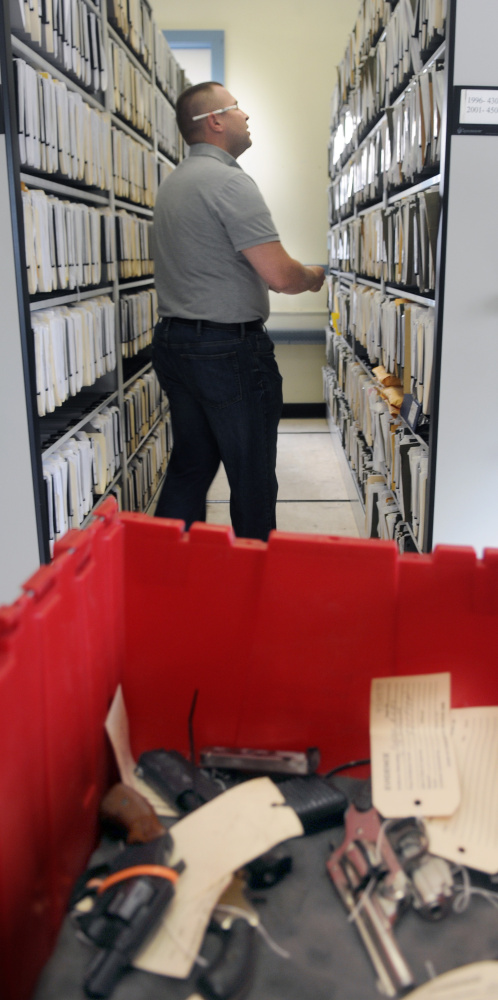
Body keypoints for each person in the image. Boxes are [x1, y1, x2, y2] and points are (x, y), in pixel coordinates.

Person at [151, 81, 325, 541]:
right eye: (238, 107)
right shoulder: (229, 182)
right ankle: (255, 588)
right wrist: (311, 275)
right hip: (226, 350)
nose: (247, 116)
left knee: (192, 463)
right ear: (214, 120)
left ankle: (166, 576)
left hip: (175, 342)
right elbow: (280, 276)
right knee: (251, 474)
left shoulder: (175, 185)